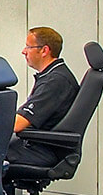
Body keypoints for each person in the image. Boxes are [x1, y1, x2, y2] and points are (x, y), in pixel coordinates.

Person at [6, 26, 79, 168]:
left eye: (28, 47)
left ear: (44, 50)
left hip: (43, 150)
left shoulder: (55, 81)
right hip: (42, 144)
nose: (23, 51)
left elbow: (17, 124)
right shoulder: (55, 74)